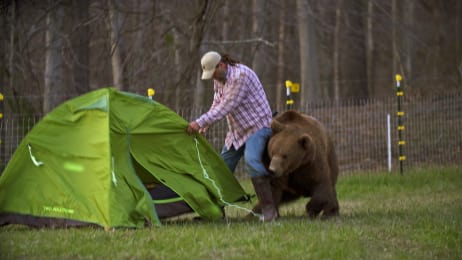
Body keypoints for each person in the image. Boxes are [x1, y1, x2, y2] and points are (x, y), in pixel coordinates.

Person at [186, 51, 278, 222]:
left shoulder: (240, 77)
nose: (212, 77)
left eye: (213, 73)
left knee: (251, 160)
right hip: (237, 131)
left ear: (221, 66)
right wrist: (207, 123)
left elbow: (226, 107)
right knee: (220, 167)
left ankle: (269, 210)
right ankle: (215, 213)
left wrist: (199, 122)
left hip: (258, 126)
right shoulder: (219, 79)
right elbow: (217, 103)